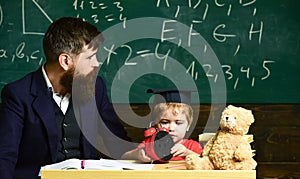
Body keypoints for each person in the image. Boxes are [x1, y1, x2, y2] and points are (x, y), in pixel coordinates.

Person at [0, 17, 133, 179]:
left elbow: (117, 143)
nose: (97, 63)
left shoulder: (96, 87)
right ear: (65, 61)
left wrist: (139, 152)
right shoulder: (18, 94)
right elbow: (5, 156)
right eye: (90, 57)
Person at [121, 89, 202, 162]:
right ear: (155, 124)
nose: (171, 128)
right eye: (165, 122)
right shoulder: (150, 144)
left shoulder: (192, 146)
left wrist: (188, 153)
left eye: (178, 123)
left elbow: (206, 162)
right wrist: (137, 154)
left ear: (188, 125)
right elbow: (123, 157)